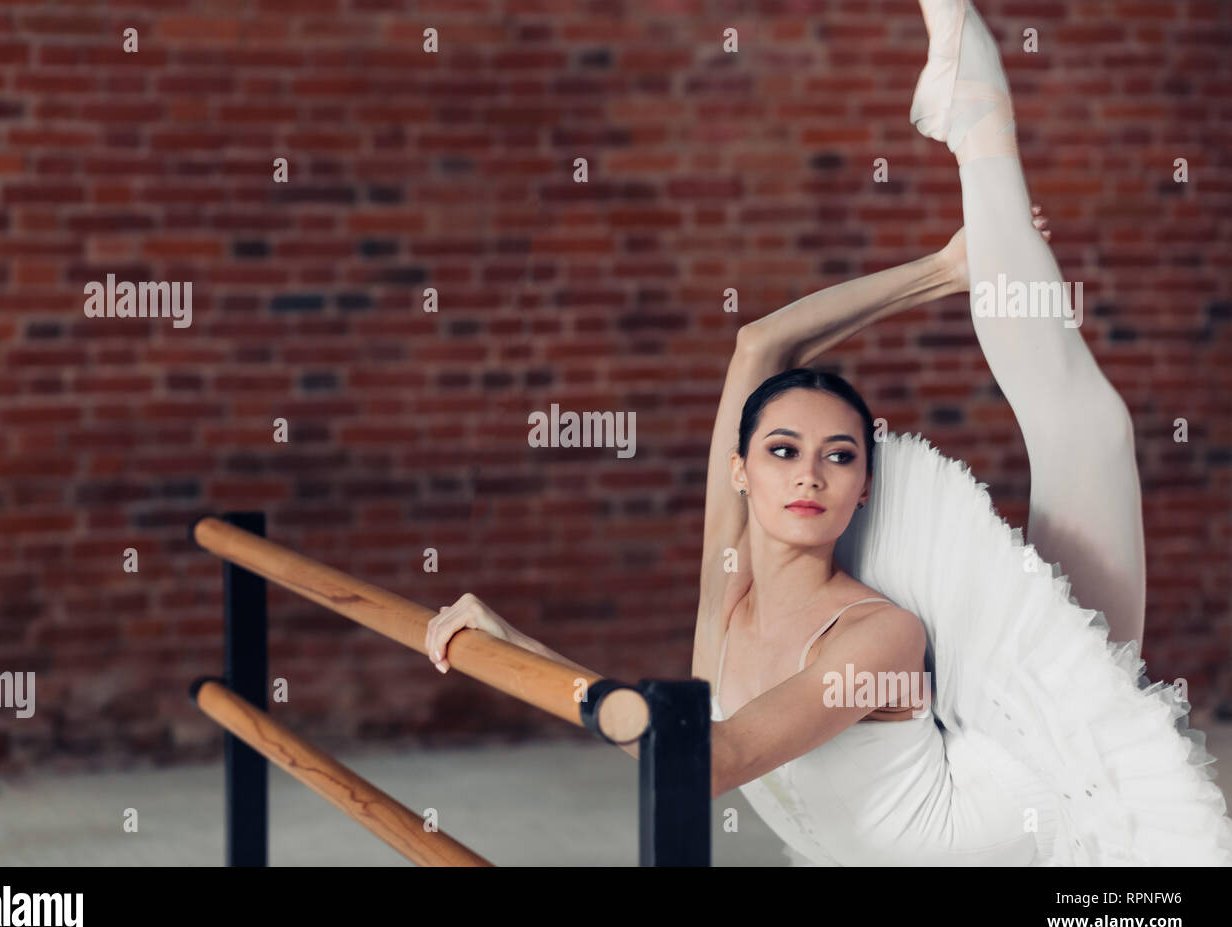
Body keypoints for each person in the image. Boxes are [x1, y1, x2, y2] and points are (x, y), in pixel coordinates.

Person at [424, 0, 1232, 864]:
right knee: (1091, 430)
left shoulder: (880, 634)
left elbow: (705, 762)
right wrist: (941, 270)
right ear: (740, 475)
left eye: (839, 456)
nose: (809, 475)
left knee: (1091, 434)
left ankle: (979, 119)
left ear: (865, 486)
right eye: (781, 452)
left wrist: (535, 666)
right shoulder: (724, 605)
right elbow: (758, 345)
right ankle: (973, 129)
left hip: (1040, 791)